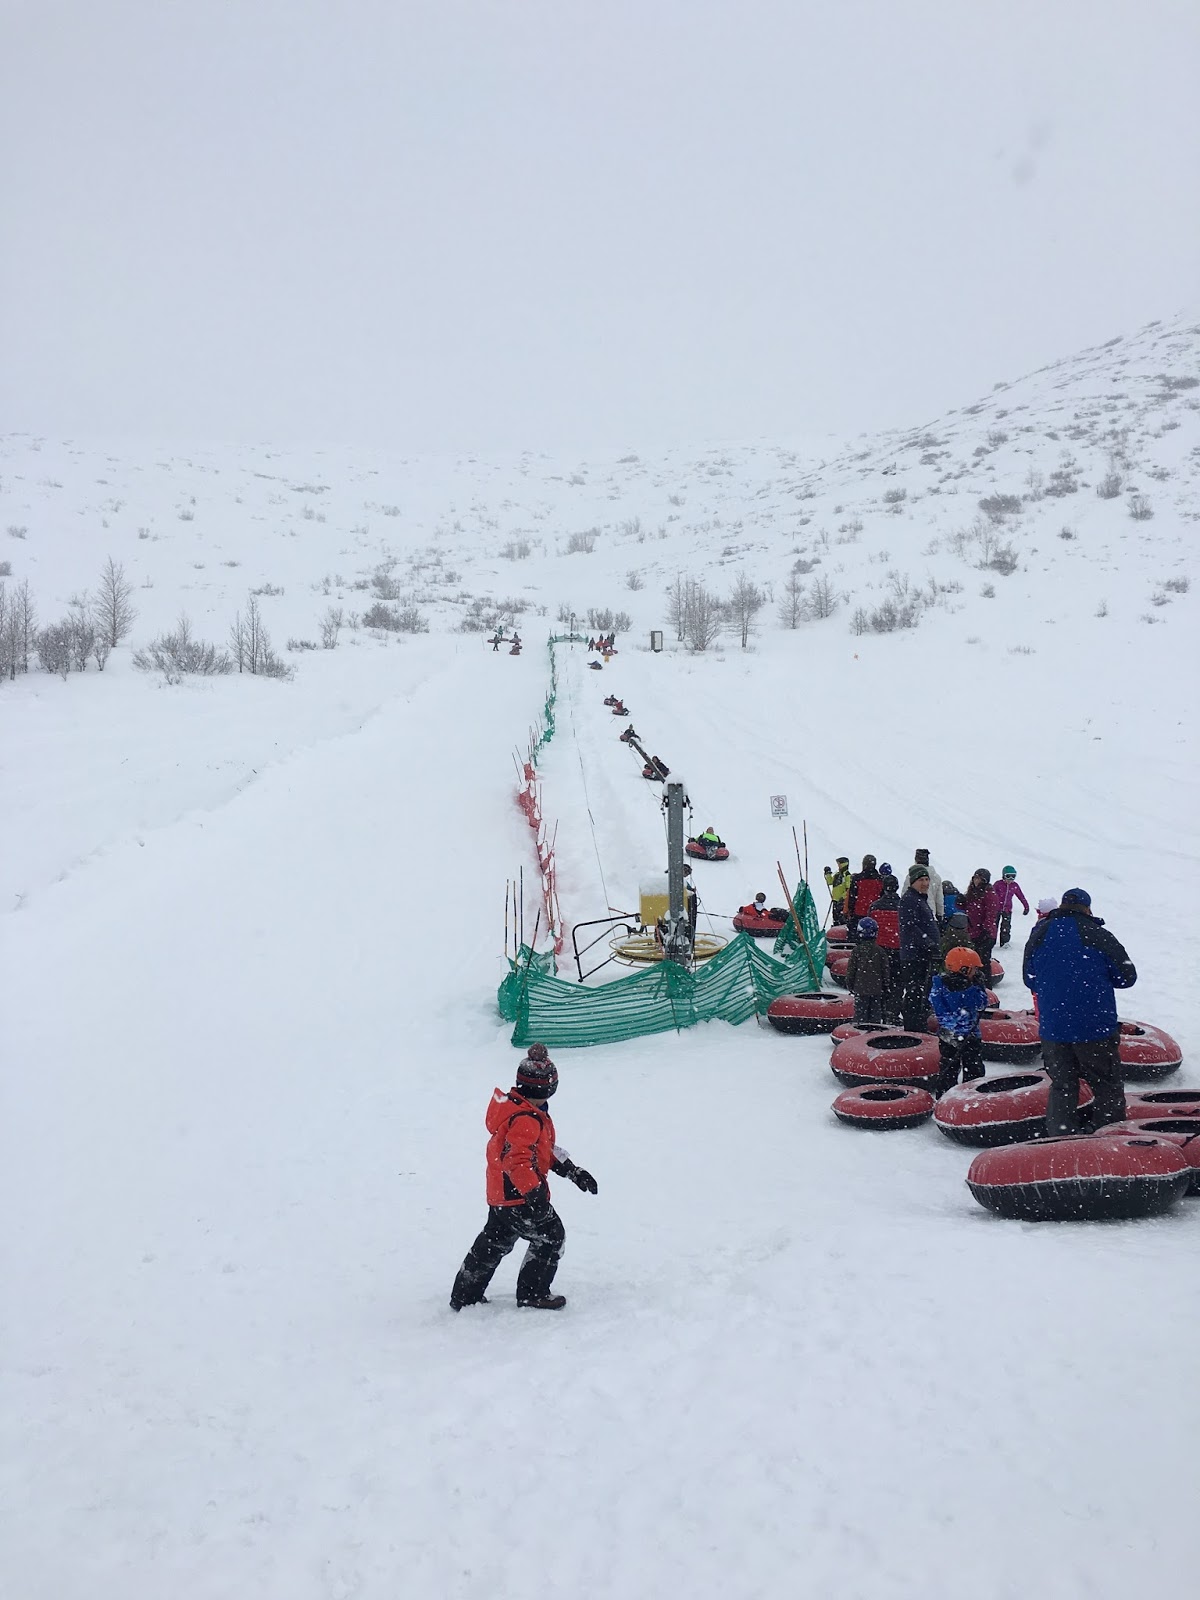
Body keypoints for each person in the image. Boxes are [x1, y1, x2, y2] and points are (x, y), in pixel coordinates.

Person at [450, 1045, 598, 1312]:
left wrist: (573, 1171)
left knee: (494, 1241)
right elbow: (516, 1161)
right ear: (547, 1088)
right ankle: (533, 1292)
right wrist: (534, 1194)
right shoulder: (526, 1119)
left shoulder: (520, 1109)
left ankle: (465, 1294)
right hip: (519, 1196)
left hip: (502, 1194)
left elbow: (542, 1151)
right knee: (551, 1236)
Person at [1023, 889, 1136, 1135]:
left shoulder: (1040, 932)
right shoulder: (1098, 934)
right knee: (1106, 1085)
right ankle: (1110, 1140)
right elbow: (1127, 976)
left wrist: (1057, 985)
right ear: (1087, 908)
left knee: (1063, 1085)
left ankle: (1061, 1139)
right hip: (1093, 1026)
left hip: (1053, 1028)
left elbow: (1029, 978)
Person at [930, 948, 989, 1094]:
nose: (976, 972)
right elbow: (981, 1003)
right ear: (964, 969)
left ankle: (944, 1095)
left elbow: (936, 1004)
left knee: (948, 1069)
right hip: (968, 1035)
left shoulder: (939, 985)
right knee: (973, 1070)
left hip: (948, 1035)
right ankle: (971, 1096)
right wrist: (976, 987)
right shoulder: (967, 990)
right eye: (974, 969)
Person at [898, 865, 942, 1032]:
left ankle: (918, 1024)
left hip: (922, 955)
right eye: (921, 880)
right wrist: (928, 943)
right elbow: (910, 927)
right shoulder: (909, 899)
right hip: (914, 955)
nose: (925, 883)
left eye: (926, 879)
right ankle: (913, 1028)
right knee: (915, 993)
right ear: (913, 882)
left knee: (922, 994)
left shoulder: (920, 899)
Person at [846, 917, 892, 1025]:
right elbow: (886, 970)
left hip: (860, 989)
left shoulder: (856, 951)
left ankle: (860, 1035)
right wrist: (885, 985)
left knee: (860, 1016)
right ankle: (873, 1035)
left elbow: (851, 970)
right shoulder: (880, 951)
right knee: (875, 1015)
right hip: (877, 989)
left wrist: (850, 984)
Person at [868, 875, 902, 1019]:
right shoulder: (903, 906)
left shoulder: (875, 906)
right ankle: (892, 1012)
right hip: (899, 950)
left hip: (880, 949)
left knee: (880, 981)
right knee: (897, 982)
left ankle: (880, 1010)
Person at [964, 869, 1002, 979]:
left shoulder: (989, 894)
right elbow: (968, 909)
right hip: (974, 932)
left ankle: (986, 986)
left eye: (979, 878)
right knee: (975, 961)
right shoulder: (972, 892)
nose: (976, 881)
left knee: (983, 962)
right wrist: (960, 902)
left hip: (985, 934)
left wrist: (986, 930)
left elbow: (991, 914)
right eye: (975, 878)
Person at [846, 854, 884, 936]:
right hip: (875, 913)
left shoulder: (857, 879)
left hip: (859, 912)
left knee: (856, 937)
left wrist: (850, 911)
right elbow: (882, 896)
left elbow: (852, 897)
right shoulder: (880, 880)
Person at [995, 866, 1030, 947]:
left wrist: (1026, 906)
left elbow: (1021, 896)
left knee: (1006, 926)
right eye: (1008, 876)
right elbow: (991, 896)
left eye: (1013, 877)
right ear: (1003, 875)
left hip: (1007, 910)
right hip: (996, 909)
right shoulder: (998, 884)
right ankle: (990, 941)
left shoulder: (1015, 885)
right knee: (994, 925)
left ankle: (1004, 942)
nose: (1010, 879)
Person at [913, 849, 944, 922]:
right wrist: (940, 914)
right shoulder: (936, 877)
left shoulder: (911, 877)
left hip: (915, 916)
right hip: (931, 914)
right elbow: (939, 900)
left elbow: (904, 895)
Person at [824, 858, 852, 923]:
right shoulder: (837, 875)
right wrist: (828, 874)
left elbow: (849, 888)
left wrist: (843, 897)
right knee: (835, 917)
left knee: (841, 918)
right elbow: (830, 882)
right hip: (835, 900)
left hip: (842, 901)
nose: (838, 866)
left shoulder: (847, 875)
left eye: (839, 864)